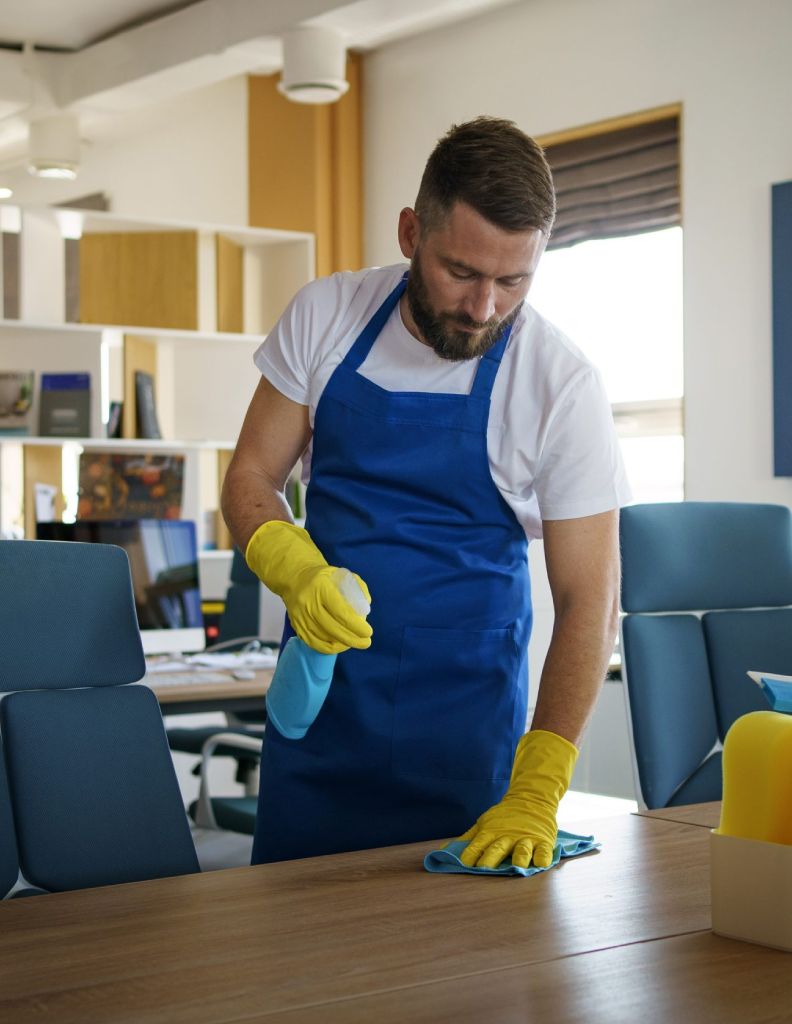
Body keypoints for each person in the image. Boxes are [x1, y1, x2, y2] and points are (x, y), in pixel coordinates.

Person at [222, 116, 631, 868]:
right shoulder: (327, 315)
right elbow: (250, 476)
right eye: (462, 272)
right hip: (321, 719)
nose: (484, 307)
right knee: (288, 936)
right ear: (411, 232)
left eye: (514, 281)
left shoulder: (560, 383)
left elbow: (590, 602)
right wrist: (294, 568)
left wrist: (540, 785)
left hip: (465, 744)